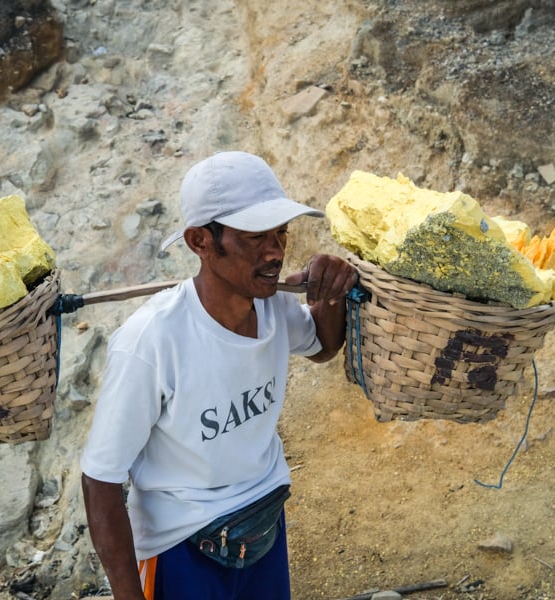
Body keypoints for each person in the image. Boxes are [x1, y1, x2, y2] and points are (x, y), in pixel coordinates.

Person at [79, 150, 359, 600]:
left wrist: (330, 293)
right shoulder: (151, 342)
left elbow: (323, 346)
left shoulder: (273, 303)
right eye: (254, 238)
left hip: (263, 525)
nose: (275, 253)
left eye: (280, 234)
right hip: (182, 547)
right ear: (200, 242)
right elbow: (100, 480)